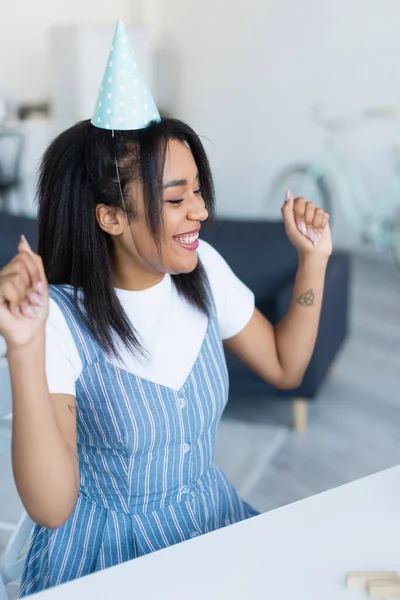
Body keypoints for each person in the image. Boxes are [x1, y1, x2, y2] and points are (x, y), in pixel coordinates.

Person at [0, 21, 331, 598]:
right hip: (107, 558)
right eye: (176, 198)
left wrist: (314, 261)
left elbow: (285, 365)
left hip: (210, 524)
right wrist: (24, 347)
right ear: (111, 217)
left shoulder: (202, 271)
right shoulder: (59, 323)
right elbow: (52, 508)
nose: (199, 211)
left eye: (198, 191)